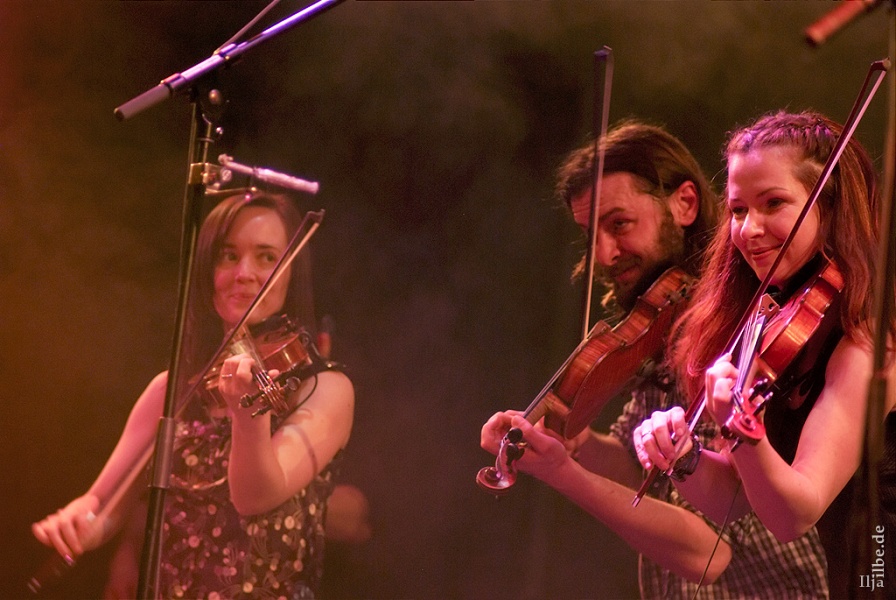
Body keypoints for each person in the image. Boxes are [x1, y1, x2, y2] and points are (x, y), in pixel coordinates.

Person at [480, 120, 832, 597]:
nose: (604, 254)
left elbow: (708, 551)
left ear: (685, 203)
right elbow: (640, 468)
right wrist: (577, 443)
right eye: (590, 234)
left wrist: (565, 474)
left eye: (619, 224)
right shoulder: (660, 326)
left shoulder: (734, 326)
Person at [32, 191, 355, 599]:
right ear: (206, 269)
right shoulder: (170, 390)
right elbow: (102, 504)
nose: (244, 273)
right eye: (228, 255)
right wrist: (85, 522)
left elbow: (255, 497)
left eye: (266, 257)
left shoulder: (323, 388)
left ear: (290, 271)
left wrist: (248, 416)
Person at [634, 109, 896, 598]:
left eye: (773, 203)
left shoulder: (865, 341)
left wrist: (741, 430)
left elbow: (795, 514)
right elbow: (742, 498)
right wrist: (683, 457)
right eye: (737, 210)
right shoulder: (782, 322)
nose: (749, 229)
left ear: (830, 207)